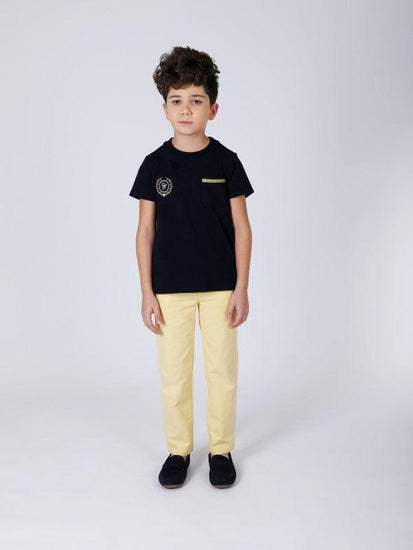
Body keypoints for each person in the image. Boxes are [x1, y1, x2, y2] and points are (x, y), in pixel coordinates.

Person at [129, 46, 254, 489]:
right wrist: (147, 292)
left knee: (222, 372)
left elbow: (242, 227)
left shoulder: (226, 161)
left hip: (221, 288)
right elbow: (145, 231)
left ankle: (221, 450)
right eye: (177, 100)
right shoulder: (154, 165)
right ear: (165, 108)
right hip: (169, 290)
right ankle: (178, 450)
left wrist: (241, 288)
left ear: (212, 109)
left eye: (196, 100)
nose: (186, 109)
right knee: (174, 375)